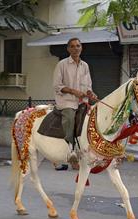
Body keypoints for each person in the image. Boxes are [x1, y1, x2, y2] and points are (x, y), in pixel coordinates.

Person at [53, 37, 97, 167]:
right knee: (70, 118)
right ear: (68, 49)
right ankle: (70, 151)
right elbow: (57, 86)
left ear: (81, 47)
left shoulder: (85, 66)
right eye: (72, 46)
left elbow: (88, 85)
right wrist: (73, 91)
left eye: (78, 45)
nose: (75, 48)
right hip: (67, 101)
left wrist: (90, 93)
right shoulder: (61, 64)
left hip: (82, 101)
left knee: (91, 120)